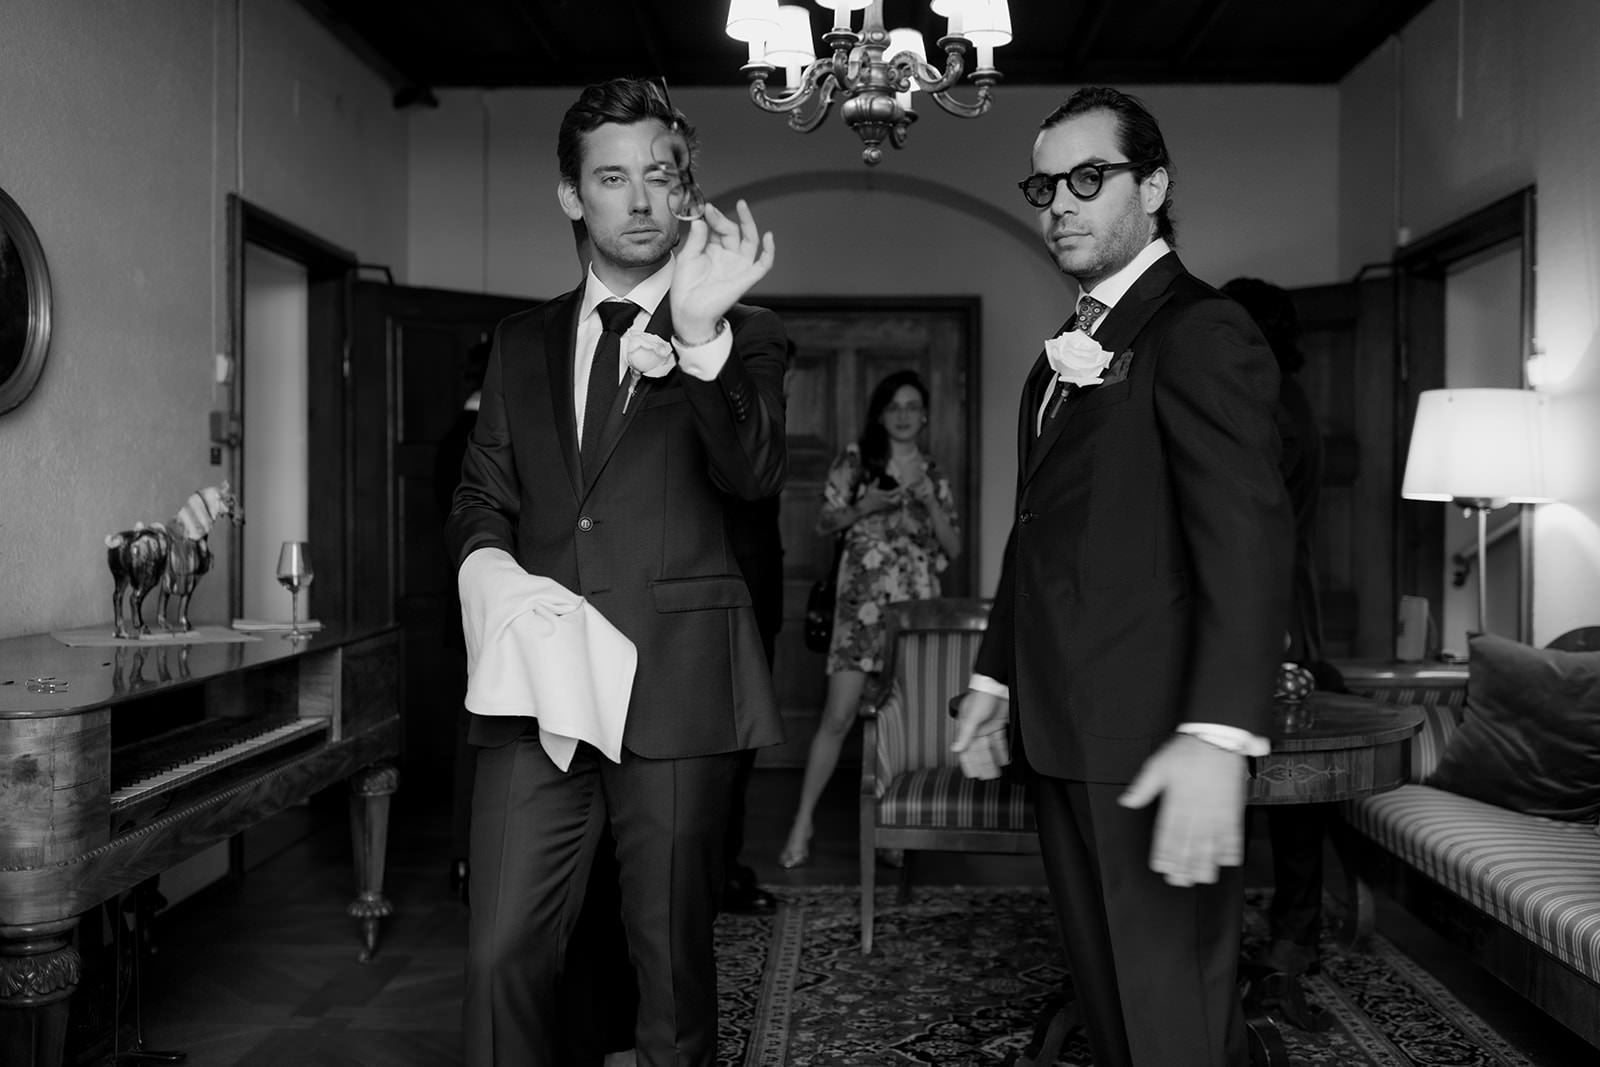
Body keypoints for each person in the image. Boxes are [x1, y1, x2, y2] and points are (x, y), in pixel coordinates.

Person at [445, 76, 787, 1067]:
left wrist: (699, 339)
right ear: (570, 195)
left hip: (677, 691)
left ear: (685, 191)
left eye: (661, 176)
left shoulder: (742, 331)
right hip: (537, 695)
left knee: (668, 968)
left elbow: (753, 472)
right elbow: (481, 499)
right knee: (500, 945)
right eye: (612, 178)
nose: (640, 200)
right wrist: (493, 573)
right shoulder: (518, 343)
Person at [951, 87, 1292, 1067]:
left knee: (1169, 1014)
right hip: (1060, 727)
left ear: (1152, 183)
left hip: (1153, 737)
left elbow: (1248, 536)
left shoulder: (1200, 329)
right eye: (1044, 184)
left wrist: (1215, 734)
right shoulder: (1062, 354)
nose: (1058, 202)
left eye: (1087, 179)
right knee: (1115, 1008)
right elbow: (1036, 533)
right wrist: (993, 675)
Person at [778, 369, 960, 868]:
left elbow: (954, 547)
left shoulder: (934, 473)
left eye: (912, 406)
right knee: (838, 718)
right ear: (881, 414)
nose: (903, 415)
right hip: (860, 608)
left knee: (901, 720)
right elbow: (821, 522)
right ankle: (803, 823)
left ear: (924, 416)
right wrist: (865, 505)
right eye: (894, 406)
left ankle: (895, 829)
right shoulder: (855, 462)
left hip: (914, 611)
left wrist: (929, 504)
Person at [1222, 276, 1347, 980]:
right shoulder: (1279, 399)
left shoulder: (1276, 413)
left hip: (1275, 614)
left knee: (1287, 780)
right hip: (1279, 603)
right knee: (1273, 774)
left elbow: (1250, 528)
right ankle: (1278, 929)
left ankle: (1294, 935)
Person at [435, 338, 492, 903]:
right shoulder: (478, 441)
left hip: (459, 608)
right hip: (487, 607)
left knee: (471, 730)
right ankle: (473, 855)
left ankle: (464, 856)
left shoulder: (448, 439)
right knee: (483, 735)